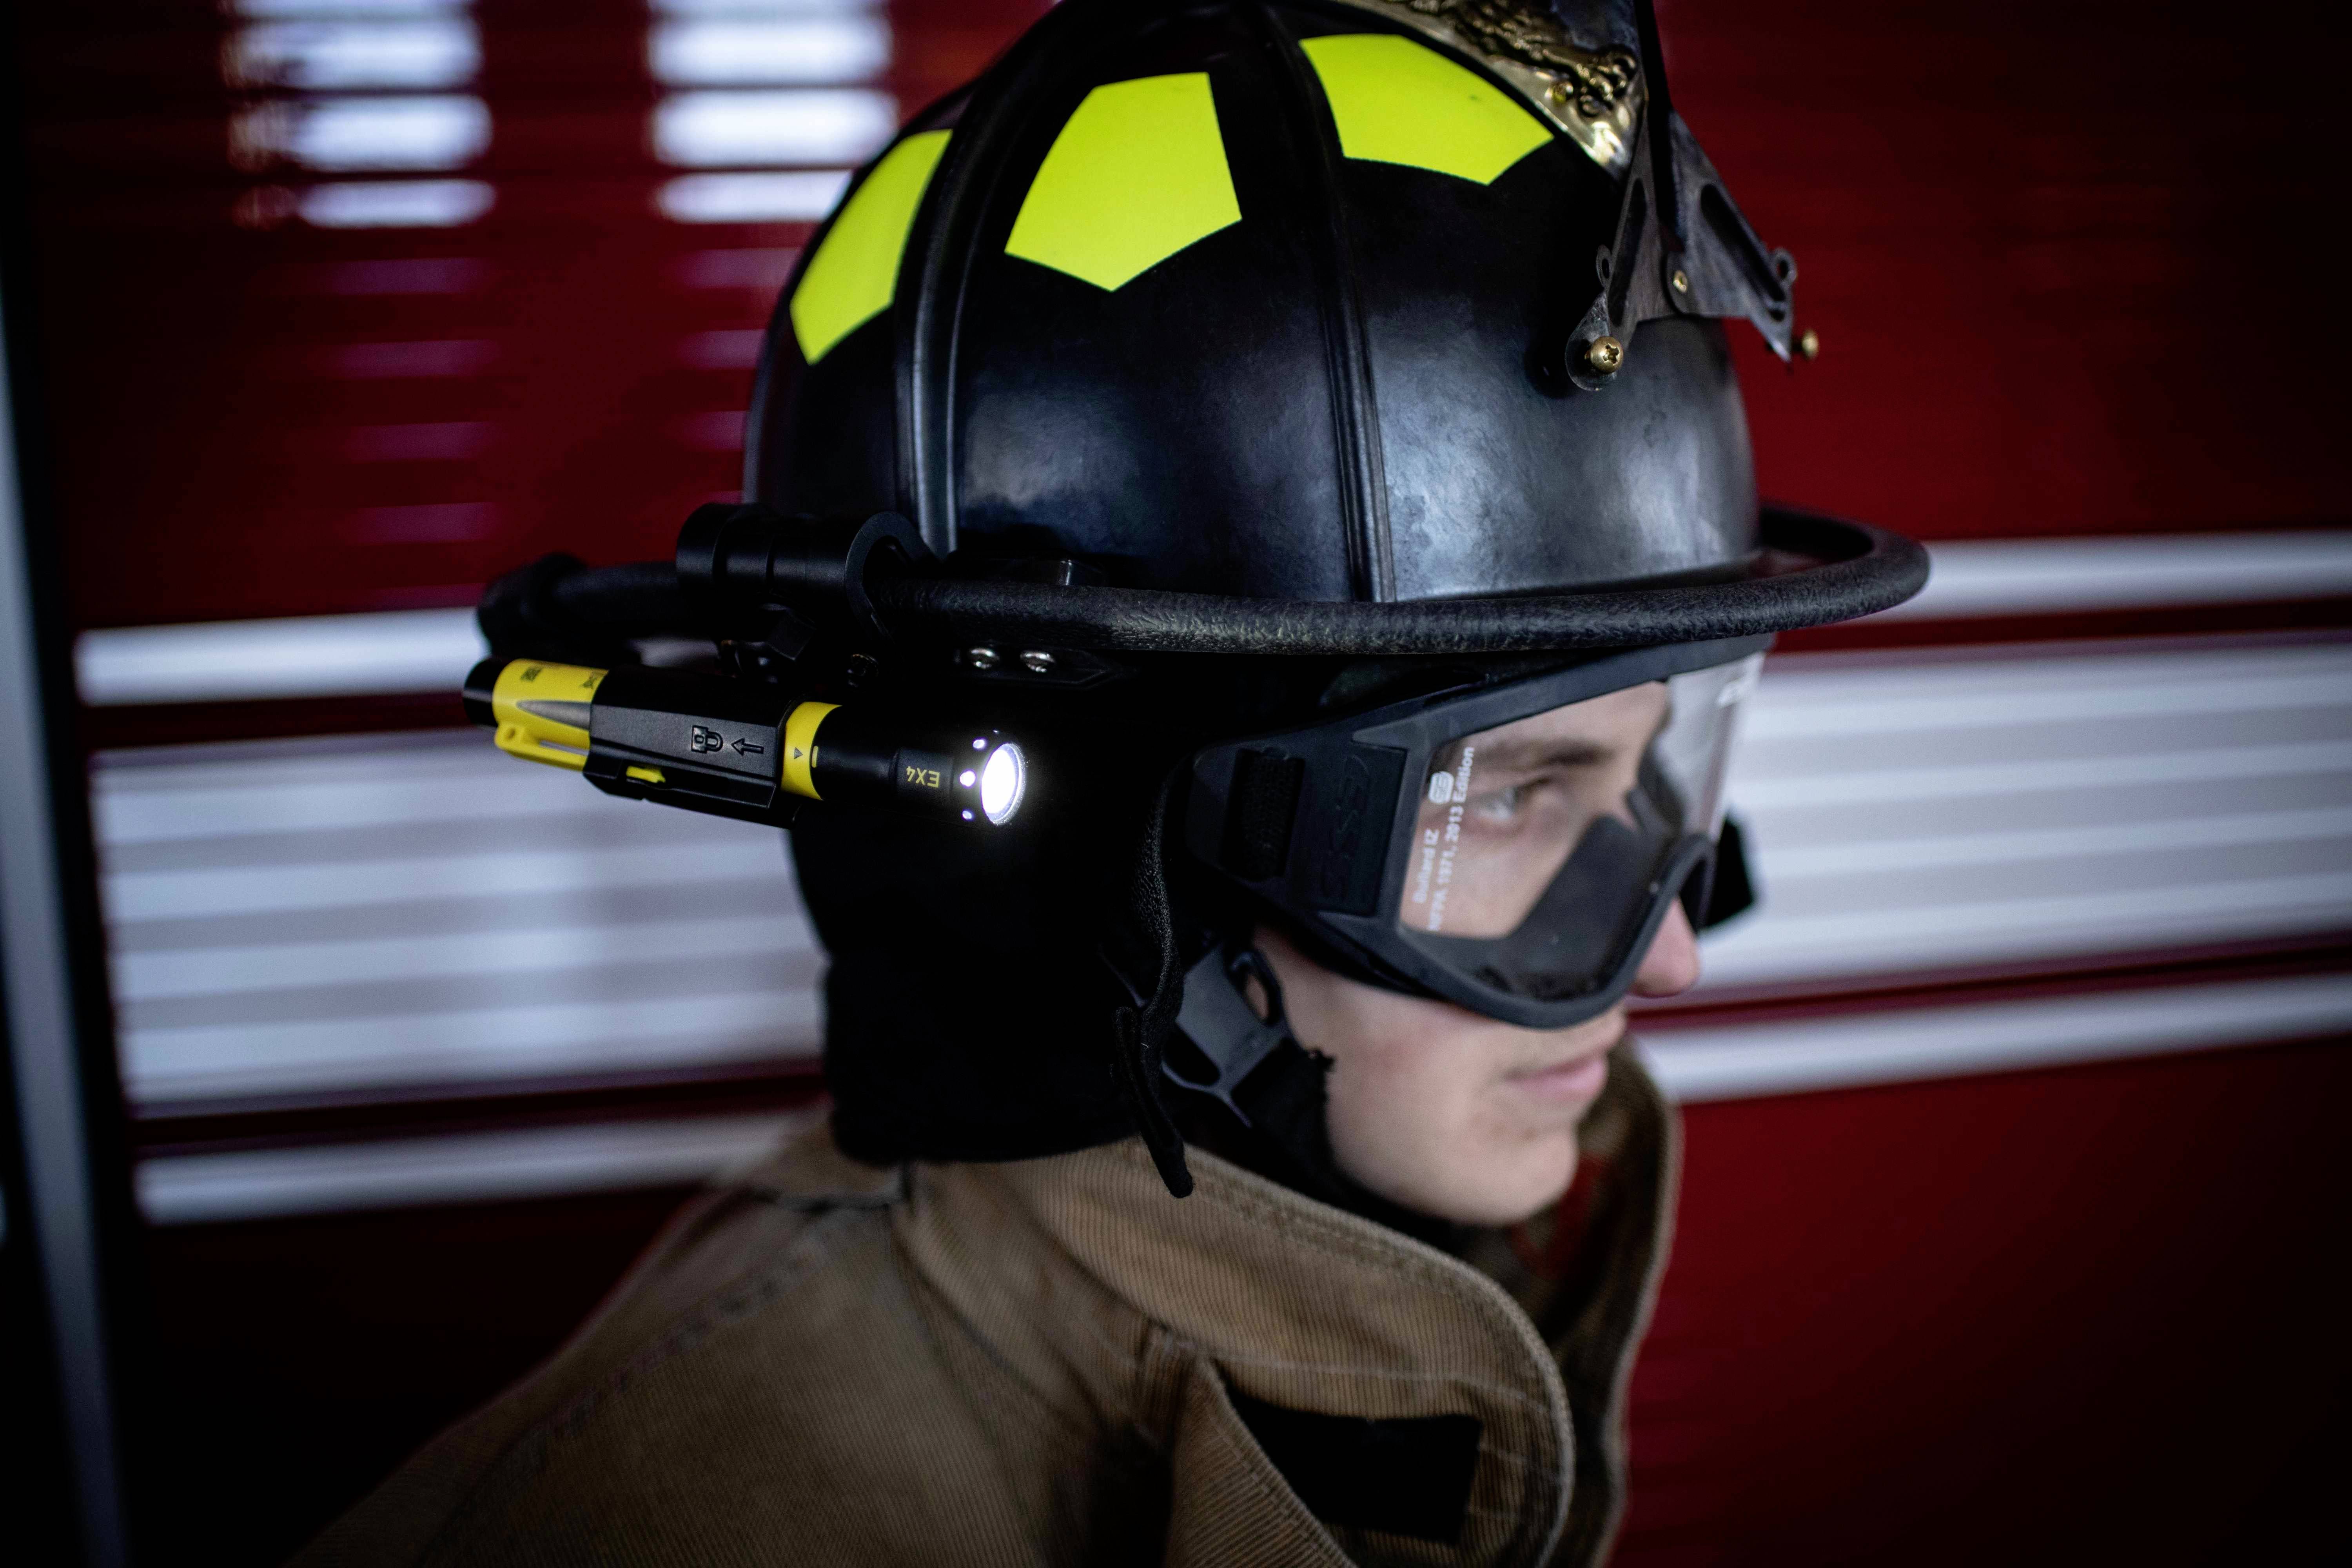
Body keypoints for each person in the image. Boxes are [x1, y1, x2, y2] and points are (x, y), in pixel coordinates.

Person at [299, 0, 1923, 1563]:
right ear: (1082, 866)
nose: (1669, 954)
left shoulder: (1409, 1368)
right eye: (1507, 795)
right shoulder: (629, 1524)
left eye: (1655, 773)